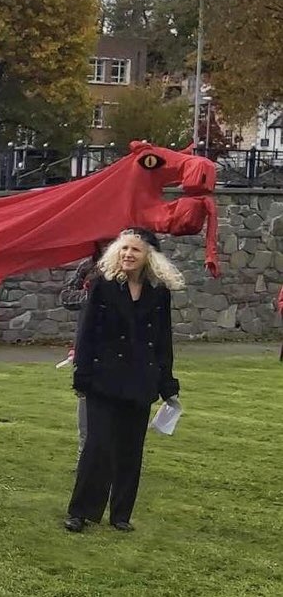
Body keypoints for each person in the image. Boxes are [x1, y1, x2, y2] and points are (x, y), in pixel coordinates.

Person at [65, 227, 184, 533]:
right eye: (124, 248)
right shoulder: (102, 286)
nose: (128, 254)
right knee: (98, 445)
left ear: (149, 258)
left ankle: (121, 514)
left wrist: (166, 382)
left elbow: (162, 340)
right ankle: (81, 511)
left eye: (136, 250)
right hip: (103, 376)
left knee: (130, 448)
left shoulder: (159, 293)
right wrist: (82, 374)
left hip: (140, 378)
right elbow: (87, 332)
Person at [58, 239, 110, 462]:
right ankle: (85, 461)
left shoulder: (132, 269)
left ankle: (114, 462)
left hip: (118, 348)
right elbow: (66, 297)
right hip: (88, 345)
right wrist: (91, 296)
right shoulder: (88, 268)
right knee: (86, 404)